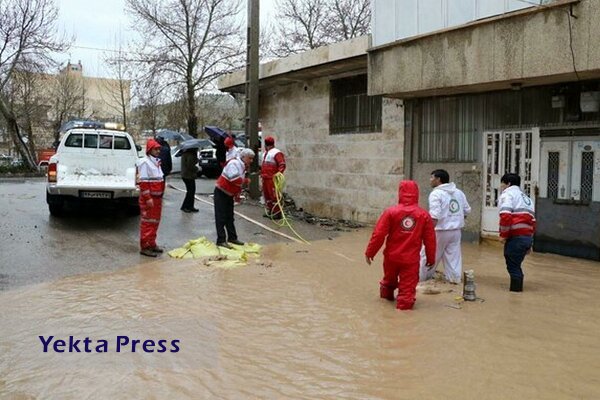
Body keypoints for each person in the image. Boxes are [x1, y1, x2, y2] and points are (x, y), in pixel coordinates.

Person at [365, 180, 436, 310]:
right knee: (407, 291)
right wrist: (431, 258)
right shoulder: (423, 215)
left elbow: (378, 235)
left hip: (391, 257)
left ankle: (385, 312)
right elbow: (430, 240)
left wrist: (370, 252)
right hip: (410, 260)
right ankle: (403, 321)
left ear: (400, 192)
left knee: (388, 282)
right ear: (417, 194)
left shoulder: (390, 212)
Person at [420, 169, 471, 284]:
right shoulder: (459, 192)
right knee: (454, 259)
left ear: (438, 179)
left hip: (439, 231)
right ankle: (454, 281)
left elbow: (434, 216)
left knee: (428, 256)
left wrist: (427, 233)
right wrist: (456, 219)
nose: (430, 180)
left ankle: (421, 279)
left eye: (432, 177)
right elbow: (467, 210)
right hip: (456, 232)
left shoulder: (436, 193)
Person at [498, 173, 536, 292]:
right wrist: (530, 243)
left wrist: (503, 235)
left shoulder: (508, 194)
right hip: (526, 237)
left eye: (502, 183)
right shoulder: (527, 199)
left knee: (513, 266)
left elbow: (505, 216)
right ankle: (516, 290)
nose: (501, 186)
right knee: (516, 264)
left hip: (516, 237)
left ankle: (516, 293)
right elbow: (533, 222)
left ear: (508, 183)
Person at [213, 148, 255, 248]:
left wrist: (237, 195)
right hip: (221, 192)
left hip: (229, 193)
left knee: (230, 217)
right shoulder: (234, 163)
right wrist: (244, 181)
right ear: (244, 157)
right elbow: (233, 178)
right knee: (221, 217)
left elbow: (237, 184)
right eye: (250, 158)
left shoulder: (242, 166)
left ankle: (232, 237)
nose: (251, 161)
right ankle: (221, 240)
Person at [137, 139, 165, 257]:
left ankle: (152, 243)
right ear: (149, 150)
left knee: (155, 222)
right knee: (147, 223)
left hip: (157, 198)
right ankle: (145, 246)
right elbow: (143, 182)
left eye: (159, 149)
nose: (158, 151)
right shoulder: (145, 163)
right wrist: (148, 198)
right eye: (156, 149)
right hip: (150, 198)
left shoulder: (156, 162)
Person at [261, 135, 286, 219]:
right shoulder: (265, 153)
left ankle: (277, 213)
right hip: (265, 178)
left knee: (274, 195)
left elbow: (282, 164)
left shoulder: (276, 152)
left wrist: (278, 174)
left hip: (272, 179)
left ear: (265, 144)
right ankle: (270, 211)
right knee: (267, 195)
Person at [180, 147, 199, 213]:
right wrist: (197, 169)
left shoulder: (186, 154)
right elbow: (190, 165)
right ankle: (185, 206)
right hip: (188, 175)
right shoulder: (190, 155)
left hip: (187, 175)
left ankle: (190, 206)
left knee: (191, 191)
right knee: (190, 191)